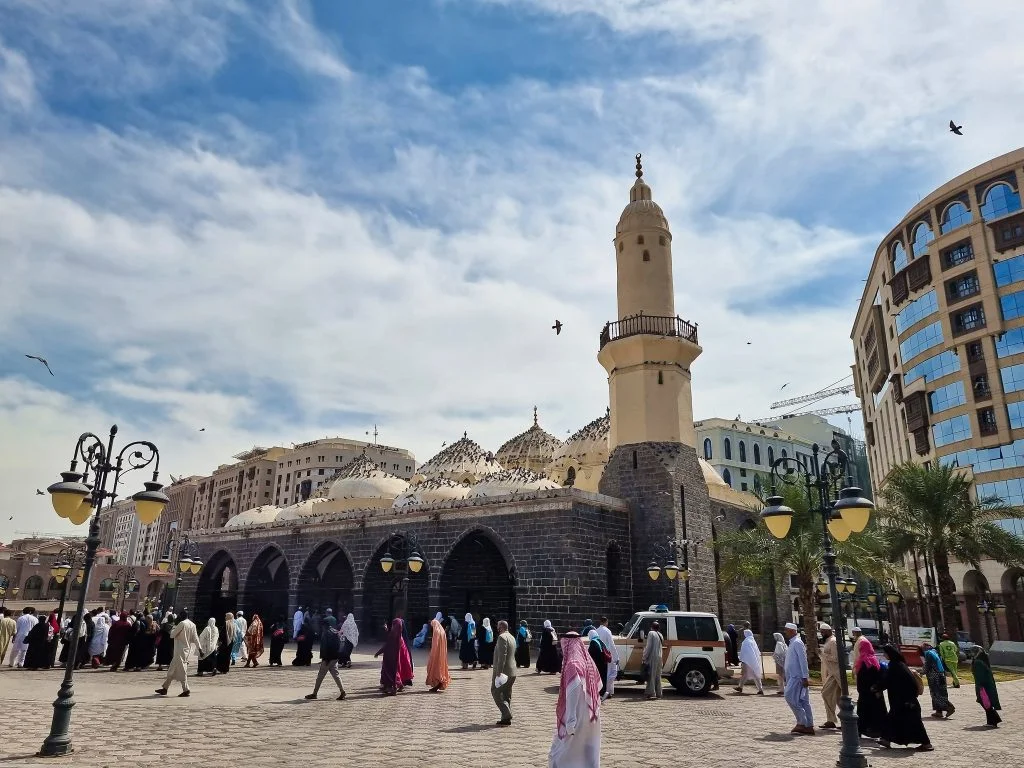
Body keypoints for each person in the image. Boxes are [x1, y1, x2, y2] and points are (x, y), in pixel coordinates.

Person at [548, 632, 601, 768]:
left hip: (578, 712)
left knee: (563, 751)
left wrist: (571, 719)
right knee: (587, 746)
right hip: (591, 711)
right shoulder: (586, 659)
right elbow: (598, 684)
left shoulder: (572, 663)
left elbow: (574, 689)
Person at [875, 645, 932, 750]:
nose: (884, 655)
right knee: (900, 720)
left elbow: (886, 681)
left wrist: (875, 688)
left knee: (905, 720)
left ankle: (926, 744)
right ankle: (886, 739)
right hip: (907, 699)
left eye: (885, 653)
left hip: (903, 700)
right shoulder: (900, 664)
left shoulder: (894, 666)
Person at [155, 610, 201, 698]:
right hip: (186, 650)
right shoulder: (192, 624)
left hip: (179, 650)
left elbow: (172, 635)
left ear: (182, 616)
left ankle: (186, 689)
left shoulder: (182, 624)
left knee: (182, 670)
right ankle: (165, 687)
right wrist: (200, 649)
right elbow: (196, 638)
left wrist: (173, 628)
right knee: (171, 670)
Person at [783, 622, 814, 735]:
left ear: (792, 630)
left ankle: (802, 722)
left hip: (798, 677)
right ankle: (809, 725)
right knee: (804, 702)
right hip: (793, 676)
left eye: (787, 630)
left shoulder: (797, 643)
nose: (785, 632)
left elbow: (803, 660)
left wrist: (805, 677)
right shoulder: (792, 643)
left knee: (789, 696)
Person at [853, 638, 887, 738]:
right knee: (876, 712)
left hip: (865, 693)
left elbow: (861, 679)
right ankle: (877, 730)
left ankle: (861, 730)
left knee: (863, 713)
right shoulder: (874, 660)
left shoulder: (862, 661)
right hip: (875, 692)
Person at [305, 619, 346, 700]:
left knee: (320, 676)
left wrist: (325, 658)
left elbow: (325, 647)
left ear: (324, 626)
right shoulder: (334, 631)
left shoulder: (326, 633)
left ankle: (314, 693)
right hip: (335, 657)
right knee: (336, 675)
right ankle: (342, 691)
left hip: (328, 658)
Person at [377, 617, 413, 695]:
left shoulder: (394, 636)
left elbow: (387, 645)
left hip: (391, 659)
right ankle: (393, 686)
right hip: (395, 659)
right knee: (394, 673)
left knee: (392, 673)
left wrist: (378, 653)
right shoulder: (400, 638)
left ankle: (393, 688)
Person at [492, 619, 518, 726]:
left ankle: (506, 714)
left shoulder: (502, 637)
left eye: (498, 626)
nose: (497, 629)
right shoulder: (512, 637)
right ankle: (505, 719)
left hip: (504, 672)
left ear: (501, 627)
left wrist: (499, 672)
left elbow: (502, 656)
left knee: (495, 691)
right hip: (512, 671)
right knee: (506, 695)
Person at [970, 646, 1002, 728]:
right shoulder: (982, 660)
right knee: (986, 702)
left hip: (983, 686)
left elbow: (980, 676)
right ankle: (992, 721)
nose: (972, 653)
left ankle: (994, 720)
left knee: (985, 702)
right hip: (986, 685)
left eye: (973, 651)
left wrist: (980, 687)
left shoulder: (978, 662)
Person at [922, 641, 954, 718]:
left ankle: (949, 707)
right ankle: (938, 712)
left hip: (935, 677)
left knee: (937, 693)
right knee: (940, 693)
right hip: (941, 675)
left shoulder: (928, 654)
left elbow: (927, 666)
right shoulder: (934, 652)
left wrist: (920, 672)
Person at [819, 623, 841, 729]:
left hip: (836, 673)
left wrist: (823, 654)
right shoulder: (828, 641)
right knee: (836, 697)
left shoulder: (833, 641)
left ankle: (838, 719)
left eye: (823, 632)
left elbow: (836, 658)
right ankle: (831, 720)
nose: (821, 634)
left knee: (826, 693)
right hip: (832, 672)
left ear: (828, 631)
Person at [426, 617, 451, 692]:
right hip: (442, 654)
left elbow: (435, 644)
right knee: (440, 667)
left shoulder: (436, 631)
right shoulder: (442, 631)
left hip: (436, 653)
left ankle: (437, 683)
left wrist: (433, 653)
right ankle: (439, 682)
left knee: (435, 668)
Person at [735, 628, 764, 694]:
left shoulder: (746, 641)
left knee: (744, 674)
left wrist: (741, 659)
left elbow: (744, 652)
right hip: (753, 661)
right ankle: (760, 689)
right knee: (755, 675)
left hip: (746, 661)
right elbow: (757, 652)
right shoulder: (753, 641)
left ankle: (740, 687)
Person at [596, 617, 617, 699]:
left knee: (601, 674)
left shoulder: (596, 631)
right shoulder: (607, 631)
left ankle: (602, 690)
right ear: (606, 622)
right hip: (607, 654)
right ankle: (608, 691)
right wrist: (616, 656)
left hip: (599, 655)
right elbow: (612, 644)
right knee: (610, 673)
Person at [642, 620, 664, 700]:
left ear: (652, 627)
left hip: (653, 657)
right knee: (658, 676)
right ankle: (659, 693)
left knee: (651, 675)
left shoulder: (651, 633)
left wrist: (644, 657)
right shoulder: (660, 635)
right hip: (660, 657)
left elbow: (649, 647)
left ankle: (651, 692)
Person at [586, 629, 608, 699]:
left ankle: (599, 694)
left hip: (598, 664)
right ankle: (603, 692)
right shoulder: (600, 641)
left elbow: (591, 654)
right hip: (604, 663)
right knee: (603, 678)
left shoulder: (593, 642)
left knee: (598, 678)